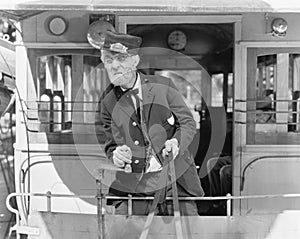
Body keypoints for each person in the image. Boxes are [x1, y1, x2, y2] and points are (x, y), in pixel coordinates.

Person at [90, 25, 204, 215]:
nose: (114, 65)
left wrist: (176, 142)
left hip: (177, 181)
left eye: (121, 59)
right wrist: (116, 155)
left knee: (189, 230)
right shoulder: (107, 102)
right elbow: (109, 144)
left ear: (135, 61)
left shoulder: (164, 86)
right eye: (109, 60)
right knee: (123, 232)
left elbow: (188, 123)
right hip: (135, 187)